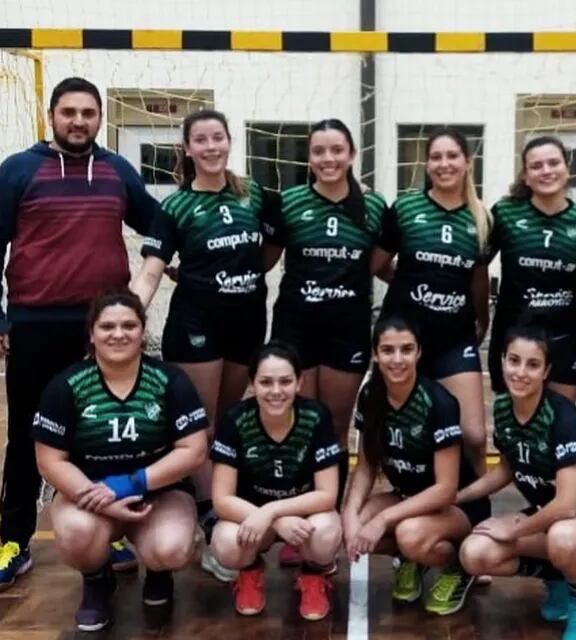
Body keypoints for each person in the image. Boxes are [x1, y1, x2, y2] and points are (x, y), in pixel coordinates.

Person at [0, 76, 160, 593]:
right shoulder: (19, 170)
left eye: (89, 113)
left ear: (100, 119)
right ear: (52, 115)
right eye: (69, 112)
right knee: (31, 438)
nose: (79, 121)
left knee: (103, 432)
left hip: (103, 328)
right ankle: (14, 541)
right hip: (33, 323)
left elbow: (159, 224)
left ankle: (112, 530)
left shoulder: (118, 170)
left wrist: (174, 265)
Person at [131, 108, 277, 582]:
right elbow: (153, 270)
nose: (212, 147)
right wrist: (125, 317)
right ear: (188, 149)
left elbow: (269, 251)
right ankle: (210, 519)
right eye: (202, 140)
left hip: (248, 324)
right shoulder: (175, 207)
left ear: (229, 142)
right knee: (203, 427)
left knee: (229, 422)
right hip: (195, 326)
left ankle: (215, 512)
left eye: (219, 138)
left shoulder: (253, 195)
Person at [33, 290, 209, 632]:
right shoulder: (67, 385)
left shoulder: (170, 380)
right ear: (92, 334)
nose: (118, 334)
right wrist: (99, 497)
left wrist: (130, 485)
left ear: (143, 331)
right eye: (107, 326)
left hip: (159, 493)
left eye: (129, 325)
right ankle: (97, 579)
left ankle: (159, 573)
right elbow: (50, 461)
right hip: (90, 495)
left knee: (171, 548)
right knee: (76, 534)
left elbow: (194, 450)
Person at [458, 322, 576, 640]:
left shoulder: (562, 418)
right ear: (501, 361)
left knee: (562, 539)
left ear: (546, 370)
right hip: (551, 522)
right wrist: (456, 497)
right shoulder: (503, 408)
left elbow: (567, 506)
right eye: (514, 360)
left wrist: (514, 530)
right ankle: (558, 579)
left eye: (533, 364)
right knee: (475, 553)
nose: (521, 372)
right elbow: (508, 468)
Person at [262, 118, 387, 565]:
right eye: (319, 151)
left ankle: (325, 523)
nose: (328, 159)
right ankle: (297, 522)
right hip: (295, 329)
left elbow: (379, 265)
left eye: (337, 150)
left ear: (352, 155)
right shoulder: (290, 202)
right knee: (296, 425)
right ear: (309, 157)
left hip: (347, 329)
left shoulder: (373, 207)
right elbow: (264, 259)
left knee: (332, 428)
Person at [342, 315, 490, 616]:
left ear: (419, 352)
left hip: (456, 507)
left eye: (406, 349)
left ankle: (458, 567)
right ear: (375, 353)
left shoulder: (438, 403)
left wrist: (383, 521)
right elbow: (367, 465)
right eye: (388, 350)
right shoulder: (371, 396)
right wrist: (349, 512)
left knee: (407, 533)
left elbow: (445, 490)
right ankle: (411, 559)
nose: (397, 359)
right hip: (408, 499)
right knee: (356, 520)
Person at [373, 127, 490, 473]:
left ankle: (475, 505)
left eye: (452, 156)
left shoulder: (482, 217)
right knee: (394, 429)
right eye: (436, 157)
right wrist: (410, 280)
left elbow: (478, 278)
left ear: (468, 162)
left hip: (453, 338)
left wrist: (482, 318)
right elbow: (377, 264)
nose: (444, 164)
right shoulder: (407, 208)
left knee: (473, 434)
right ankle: (400, 490)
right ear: (426, 165)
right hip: (403, 339)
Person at [209, 342, 344, 621]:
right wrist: (271, 518)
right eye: (266, 382)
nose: (275, 391)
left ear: (299, 383)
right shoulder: (235, 420)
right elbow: (222, 500)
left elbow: (327, 495)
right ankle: (249, 573)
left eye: (285, 381)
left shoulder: (316, 416)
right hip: (251, 514)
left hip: (299, 514)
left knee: (326, 533)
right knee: (224, 543)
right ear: (252, 384)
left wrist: (273, 511)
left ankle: (312, 575)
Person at [487, 135, 576, 401]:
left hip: (565, 336)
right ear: (525, 176)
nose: (546, 171)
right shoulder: (504, 213)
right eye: (536, 166)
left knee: (556, 424)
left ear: (567, 168)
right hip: (513, 333)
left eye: (553, 163)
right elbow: (475, 267)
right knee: (517, 426)